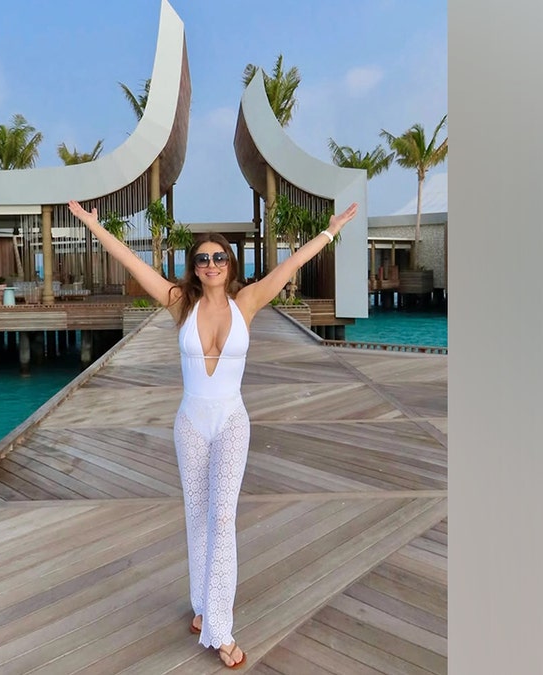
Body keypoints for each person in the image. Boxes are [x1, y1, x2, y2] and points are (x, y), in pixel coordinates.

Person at [67, 199, 358, 669]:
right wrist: (94, 227)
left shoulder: (248, 302)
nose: (211, 264)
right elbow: (132, 262)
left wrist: (329, 232)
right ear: (195, 268)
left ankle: (220, 629)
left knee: (222, 519)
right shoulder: (180, 303)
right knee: (197, 516)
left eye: (219, 257)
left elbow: (289, 266)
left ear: (230, 263)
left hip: (231, 421)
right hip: (190, 424)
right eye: (202, 259)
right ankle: (203, 606)